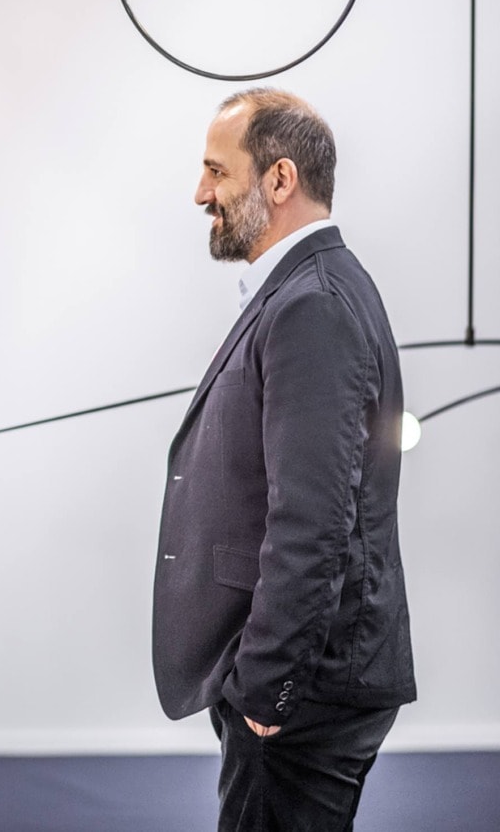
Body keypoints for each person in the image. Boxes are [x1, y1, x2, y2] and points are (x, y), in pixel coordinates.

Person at [152, 88, 416, 832]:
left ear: (279, 179)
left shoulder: (313, 304)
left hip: (302, 693)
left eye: (217, 171)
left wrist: (266, 692)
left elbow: (311, 519)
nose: (200, 192)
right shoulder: (307, 291)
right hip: (304, 681)